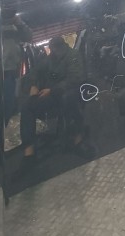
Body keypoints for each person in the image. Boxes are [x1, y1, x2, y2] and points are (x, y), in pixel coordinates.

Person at [18, 36, 94, 172]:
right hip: (51, 95)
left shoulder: (73, 56)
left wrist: (52, 90)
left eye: (56, 49)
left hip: (69, 93)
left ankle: (78, 140)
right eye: (52, 49)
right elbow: (35, 71)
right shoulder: (50, 58)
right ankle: (29, 152)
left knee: (68, 99)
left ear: (62, 46)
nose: (54, 52)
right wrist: (34, 85)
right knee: (28, 106)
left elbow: (75, 78)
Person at [1, 9, 32, 121]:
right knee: (6, 100)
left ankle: (9, 120)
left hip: (13, 68)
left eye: (10, 14)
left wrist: (20, 24)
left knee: (13, 98)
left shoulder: (17, 26)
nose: (8, 17)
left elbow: (29, 37)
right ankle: (6, 121)